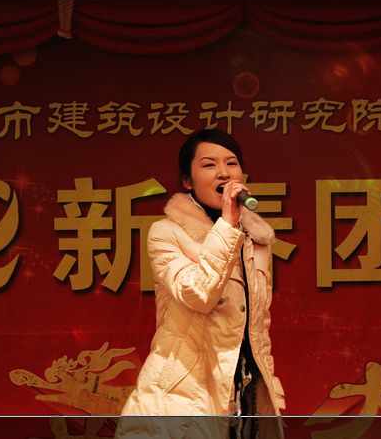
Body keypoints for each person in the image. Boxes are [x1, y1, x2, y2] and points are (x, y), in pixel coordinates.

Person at [115, 129, 285, 439]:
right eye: (209, 165)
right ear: (187, 181)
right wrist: (228, 225)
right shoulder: (166, 233)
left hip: (243, 403)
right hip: (181, 403)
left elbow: (259, 330)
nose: (224, 172)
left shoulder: (256, 242)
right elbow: (199, 294)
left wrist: (268, 395)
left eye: (231, 163)